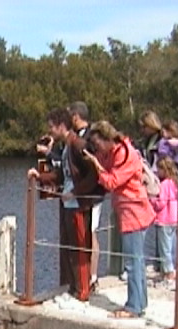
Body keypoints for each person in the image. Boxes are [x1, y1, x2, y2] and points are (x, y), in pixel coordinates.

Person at [29, 108, 104, 310]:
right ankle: (74, 288)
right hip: (68, 204)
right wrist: (40, 176)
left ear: (62, 126)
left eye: (52, 127)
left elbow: (94, 174)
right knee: (71, 247)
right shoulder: (66, 146)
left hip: (78, 204)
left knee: (80, 247)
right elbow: (62, 175)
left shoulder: (78, 145)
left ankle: (83, 292)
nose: (50, 131)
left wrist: (77, 192)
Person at [83, 120, 156, 318]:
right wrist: (93, 156)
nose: (98, 149)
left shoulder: (126, 154)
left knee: (132, 261)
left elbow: (112, 181)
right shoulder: (114, 152)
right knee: (137, 260)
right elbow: (106, 164)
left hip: (133, 210)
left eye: (98, 144)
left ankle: (133, 307)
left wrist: (96, 165)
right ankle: (140, 302)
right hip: (129, 209)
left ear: (108, 139)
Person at [69, 101, 102, 292]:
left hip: (92, 194)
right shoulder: (74, 138)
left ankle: (92, 276)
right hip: (81, 194)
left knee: (92, 233)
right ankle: (84, 275)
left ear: (76, 117)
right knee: (84, 233)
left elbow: (94, 167)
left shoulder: (91, 137)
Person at [150, 156, 178, 289]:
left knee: (164, 249)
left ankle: (169, 275)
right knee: (171, 247)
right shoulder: (175, 182)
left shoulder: (165, 184)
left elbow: (161, 204)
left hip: (164, 219)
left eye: (159, 169)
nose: (157, 171)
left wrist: (151, 199)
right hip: (174, 219)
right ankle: (170, 270)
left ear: (164, 170)